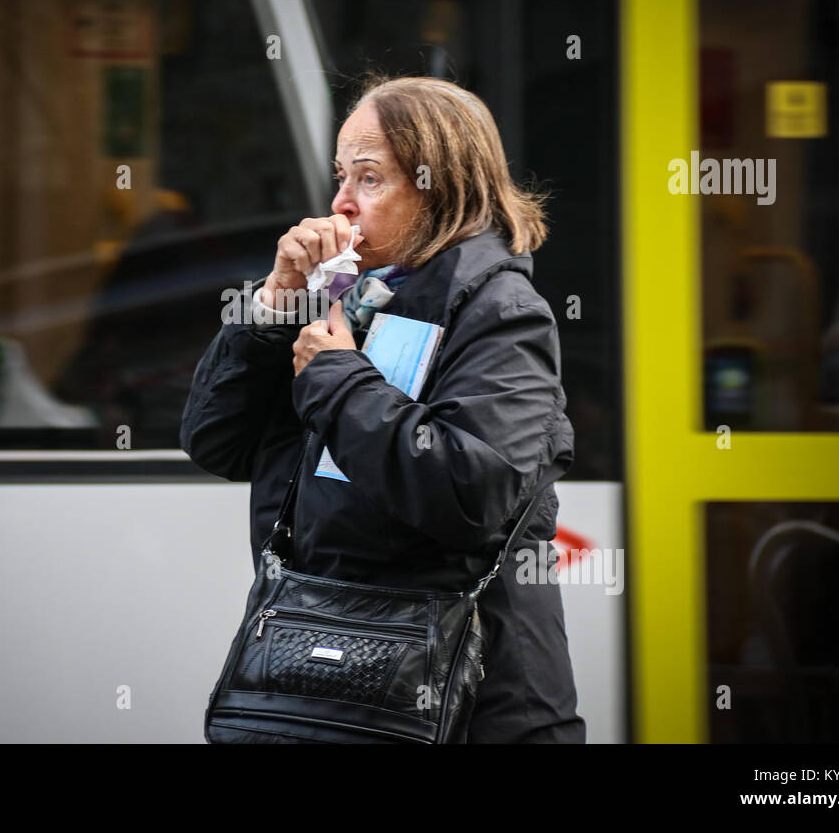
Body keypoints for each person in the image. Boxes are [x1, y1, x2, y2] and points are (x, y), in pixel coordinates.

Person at [180, 75, 584, 743]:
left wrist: (337, 376)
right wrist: (277, 304)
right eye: (340, 176)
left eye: (369, 179)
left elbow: (470, 489)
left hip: (473, 702)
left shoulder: (500, 310)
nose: (340, 203)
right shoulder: (345, 293)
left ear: (440, 186)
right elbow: (214, 443)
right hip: (338, 678)